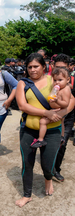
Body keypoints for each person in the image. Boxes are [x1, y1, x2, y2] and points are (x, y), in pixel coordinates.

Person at [15, 53, 75, 208]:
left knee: (48, 165)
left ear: (43, 66)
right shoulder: (23, 83)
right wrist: (46, 113)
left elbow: (72, 101)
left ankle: (48, 178)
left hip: (53, 131)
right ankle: (27, 194)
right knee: (27, 164)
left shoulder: (53, 79)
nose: (33, 70)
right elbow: (22, 106)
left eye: (36, 66)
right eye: (30, 67)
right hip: (28, 130)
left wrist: (60, 114)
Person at [30, 67, 71, 148]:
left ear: (68, 80)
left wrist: (57, 101)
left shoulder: (66, 89)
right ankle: (61, 138)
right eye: (55, 80)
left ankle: (40, 140)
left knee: (42, 121)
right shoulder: (58, 88)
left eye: (60, 80)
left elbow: (66, 104)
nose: (57, 83)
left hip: (59, 110)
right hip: (54, 109)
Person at [52, 53, 75, 182]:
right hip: (52, 113)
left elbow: (73, 100)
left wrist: (62, 114)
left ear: (69, 67)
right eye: (57, 67)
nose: (59, 70)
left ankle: (56, 169)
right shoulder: (51, 80)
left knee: (62, 143)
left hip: (67, 116)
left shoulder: (72, 80)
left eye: (63, 67)